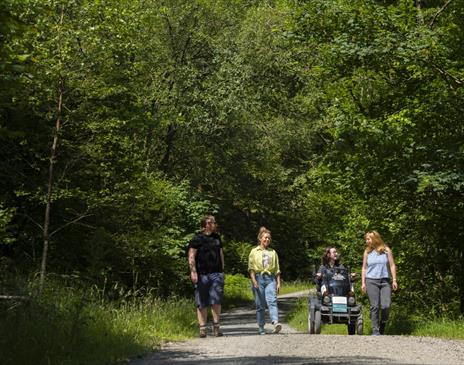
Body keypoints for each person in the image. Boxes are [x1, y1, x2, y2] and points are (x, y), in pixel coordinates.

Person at [188, 215, 225, 338]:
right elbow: (191, 256)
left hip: (216, 273)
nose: (214, 224)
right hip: (201, 274)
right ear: (206, 224)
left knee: (216, 300)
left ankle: (216, 327)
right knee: (202, 302)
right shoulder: (197, 239)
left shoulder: (217, 237)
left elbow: (220, 254)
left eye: (214, 222)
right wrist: (193, 272)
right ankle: (202, 329)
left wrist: (222, 270)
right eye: (212, 222)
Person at [361, 230, 398, 336]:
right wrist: (363, 283)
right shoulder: (367, 252)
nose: (367, 241)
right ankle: (375, 330)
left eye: (368, 238)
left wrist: (394, 280)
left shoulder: (386, 250)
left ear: (375, 238)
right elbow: (364, 268)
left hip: (385, 280)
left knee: (386, 305)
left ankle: (383, 323)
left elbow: (392, 265)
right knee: (374, 306)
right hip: (371, 280)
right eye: (366, 239)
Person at [248, 226, 282, 335]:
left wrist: (278, 283)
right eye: (265, 238)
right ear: (260, 238)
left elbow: (277, 269)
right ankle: (261, 327)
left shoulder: (273, 252)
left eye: (269, 238)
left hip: (271, 279)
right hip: (258, 278)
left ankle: (275, 322)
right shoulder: (254, 251)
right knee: (260, 304)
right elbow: (251, 268)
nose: (267, 240)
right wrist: (254, 281)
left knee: (272, 300)